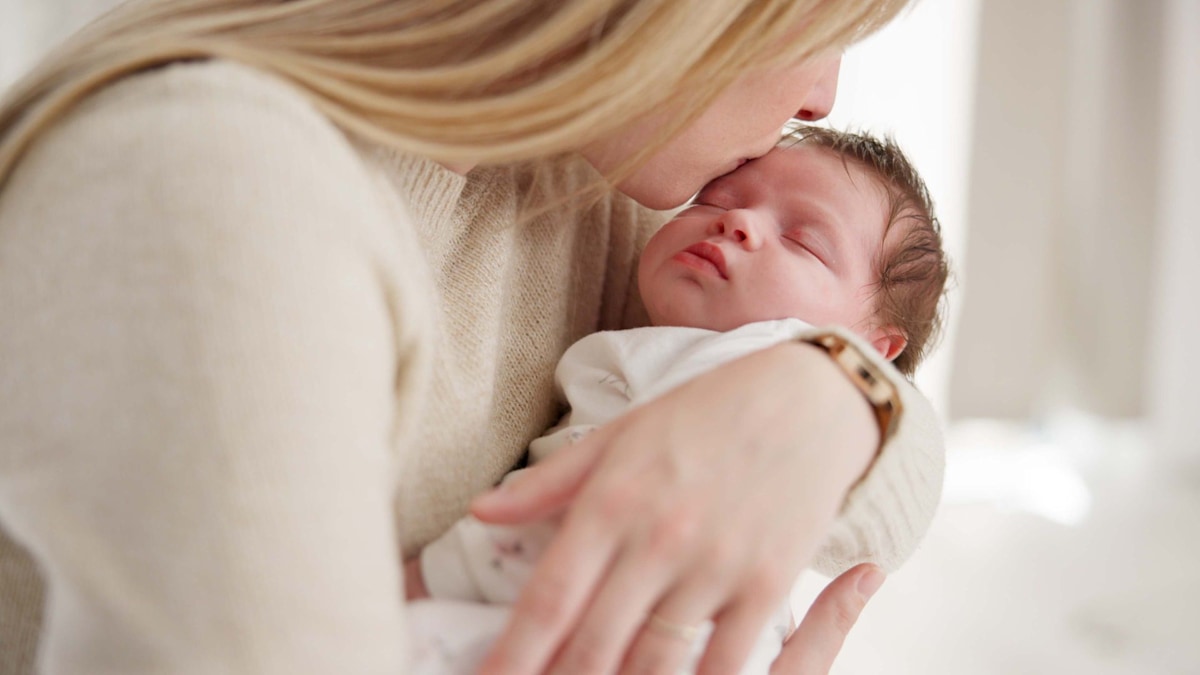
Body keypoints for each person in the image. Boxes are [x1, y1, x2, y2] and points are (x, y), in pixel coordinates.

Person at [0, 2, 945, 674]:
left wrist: (832, 388)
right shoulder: (216, 192)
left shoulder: (590, 181)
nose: (823, 96)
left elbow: (900, 485)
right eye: (823, 22)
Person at [401, 126, 949, 674]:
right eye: (712, 201)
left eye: (803, 242)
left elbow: (574, 513)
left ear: (873, 349)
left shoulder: (768, 354)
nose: (737, 221)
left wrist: (428, 578)